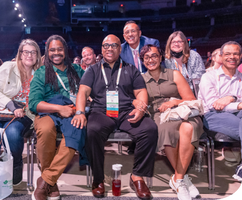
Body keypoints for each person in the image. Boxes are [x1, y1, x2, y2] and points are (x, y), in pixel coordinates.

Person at [73, 34, 158, 199]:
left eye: (114, 45)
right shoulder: (93, 70)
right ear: (102, 49)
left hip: (127, 111)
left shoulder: (130, 69)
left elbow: (141, 92)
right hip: (101, 111)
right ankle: (98, 179)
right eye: (106, 45)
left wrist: (141, 109)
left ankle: (137, 177)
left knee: (149, 129)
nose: (109, 48)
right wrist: (80, 112)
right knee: (92, 130)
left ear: (120, 48)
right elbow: (83, 91)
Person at [141, 44, 203, 200]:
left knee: (188, 128)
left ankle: (178, 180)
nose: (151, 60)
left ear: (161, 57)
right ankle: (181, 179)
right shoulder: (141, 79)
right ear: (143, 61)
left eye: (154, 56)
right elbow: (138, 101)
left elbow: (190, 99)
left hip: (181, 110)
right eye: (147, 57)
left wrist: (173, 102)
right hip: (159, 115)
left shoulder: (174, 74)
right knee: (166, 130)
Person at [29, 35, 87, 200]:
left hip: (73, 111)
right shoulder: (41, 73)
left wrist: (87, 96)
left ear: (65, 50)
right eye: (52, 50)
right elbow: (34, 103)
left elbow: (88, 89)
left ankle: (45, 181)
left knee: (77, 128)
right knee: (46, 130)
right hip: (49, 110)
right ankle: (51, 183)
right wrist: (59, 108)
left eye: (59, 49)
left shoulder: (77, 69)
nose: (56, 53)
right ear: (47, 52)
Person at [0, 39, 42, 185]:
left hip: (23, 115)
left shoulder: (40, 73)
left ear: (38, 55)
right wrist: (11, 106)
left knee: (13, 134)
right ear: (20, 54)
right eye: (26, 51)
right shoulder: (8, 67)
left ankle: (16, 165)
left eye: (33, 52)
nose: (29, 55)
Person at [198, 41, 242, 182]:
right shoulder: (208, 77)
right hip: (212, 116)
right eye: (228, 54)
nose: (232, 57)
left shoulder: (241, 77)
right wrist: (238, 104)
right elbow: (214, 105)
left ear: (240, 56)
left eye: (236, 54)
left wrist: (230, 98)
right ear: (221, 56)